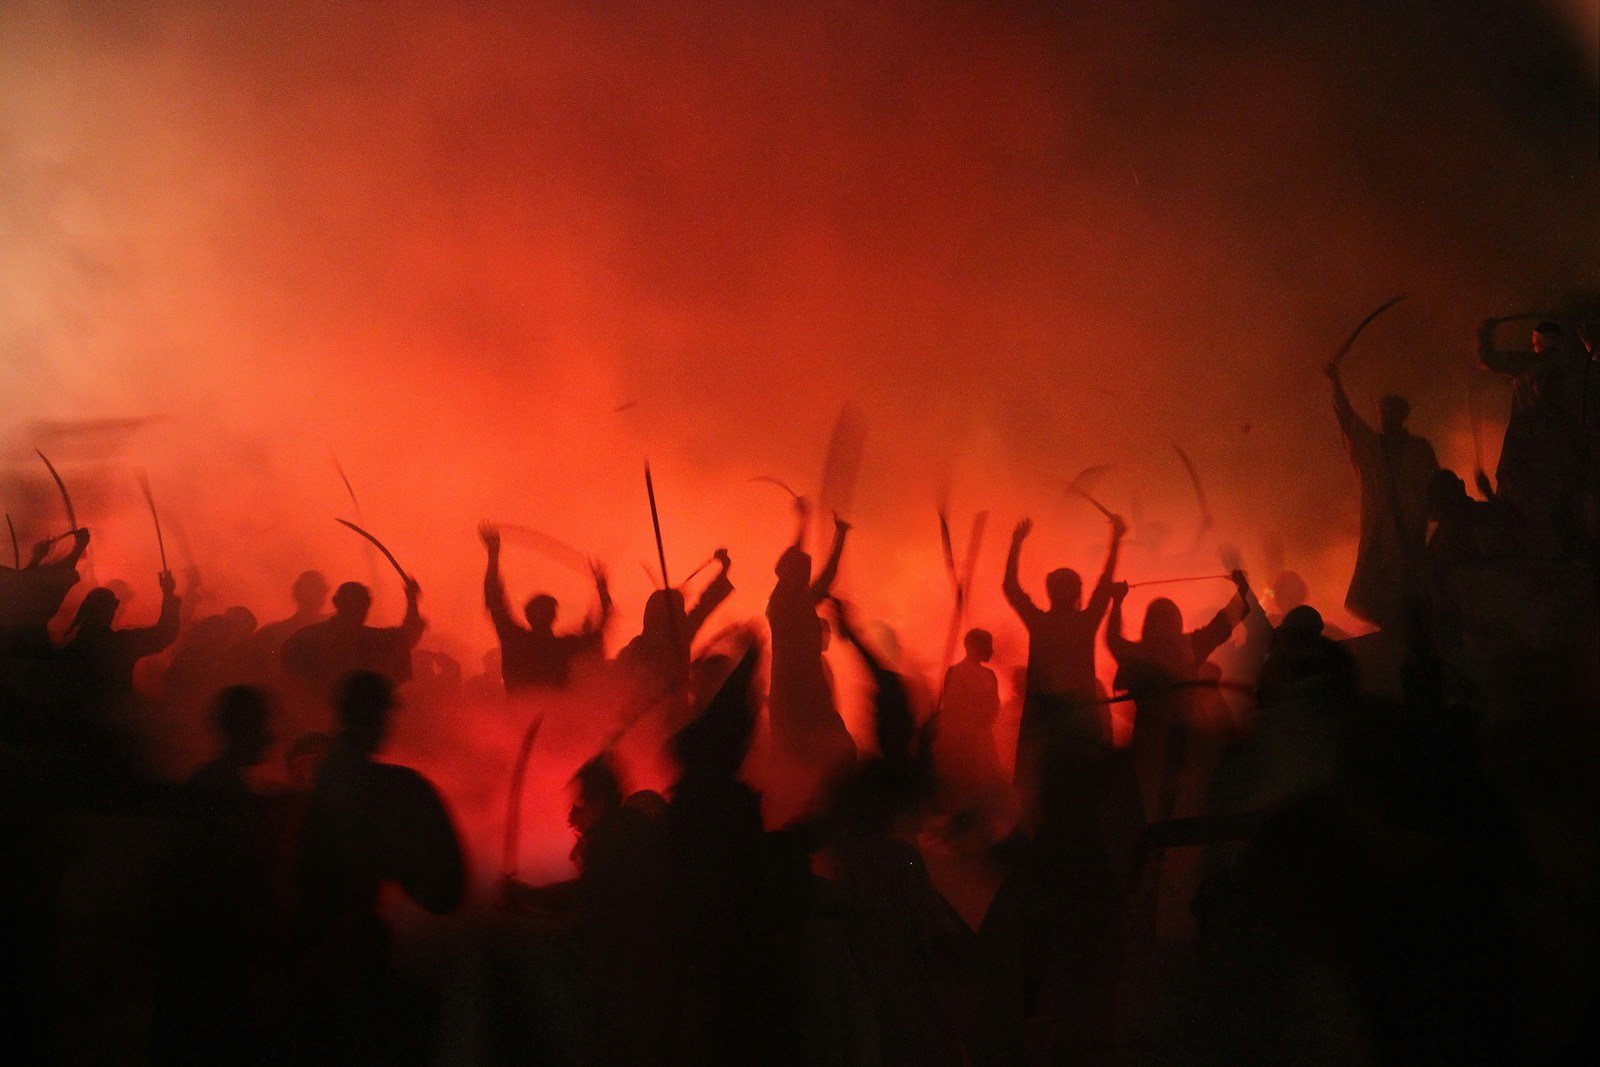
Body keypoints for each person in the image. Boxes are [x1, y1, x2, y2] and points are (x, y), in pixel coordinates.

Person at [289, 671, 464, 1061]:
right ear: (378, 716)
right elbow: (443, 891)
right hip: (345, 952)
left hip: (302, 950)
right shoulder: (388, 788)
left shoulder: (310, 784)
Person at [1003, 510, 1125, 785]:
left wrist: (1016, 543)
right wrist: (1116, 538)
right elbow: (1105, 582)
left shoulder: (1039, 622)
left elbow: (1010, 586)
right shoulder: (1085, 622)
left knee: (1042, 788)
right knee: (1080, 787)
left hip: (1043, 719)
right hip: (1079, 717)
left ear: (1051, 591)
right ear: (1076, 592)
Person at [1325, 361, 1438, 632]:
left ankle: (1411, 631)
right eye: (1382, 412)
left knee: (1414, 591)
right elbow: (1347, 418)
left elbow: (1434, 485)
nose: (1384, 417)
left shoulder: (1418, 449)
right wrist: (1335, 383)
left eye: (1391, 412)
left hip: (1411, 530)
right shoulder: (1372, 446)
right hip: (1380, 530)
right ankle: (1398, 629)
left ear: (1402, 415)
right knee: (1364, 595)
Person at [766, 499, 853, 778]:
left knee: (832, 757)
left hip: (807, 693)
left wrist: (840, 535)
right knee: (807, 762)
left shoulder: (799, 600)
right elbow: (801, 564)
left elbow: (825, 575)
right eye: (802, 570)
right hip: (795, 695)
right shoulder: (781, 603)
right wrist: (804, 524)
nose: (807, 573)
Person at [479, 523, 610, 692]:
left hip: (524, 715)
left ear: (528, 614)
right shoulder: (562, 646)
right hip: (546, 715)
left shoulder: (514, 638)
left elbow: (494, 598)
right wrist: (603, 591)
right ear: (554, 616)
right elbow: (600, 628)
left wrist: (493, 553)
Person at [281, 577, 424, 699]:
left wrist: (412, 600)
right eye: (354, 603)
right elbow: (406, 637)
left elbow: (405, 638)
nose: (358, 609)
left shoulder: (309, 636)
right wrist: (412, 600)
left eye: (361, 603)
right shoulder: (371, 639)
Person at [0, 527, 89, 655]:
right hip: (32, 643)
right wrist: (78, 548)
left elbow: (24, 580)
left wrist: (36, 558)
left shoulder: (10, 579)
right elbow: (28, 581)